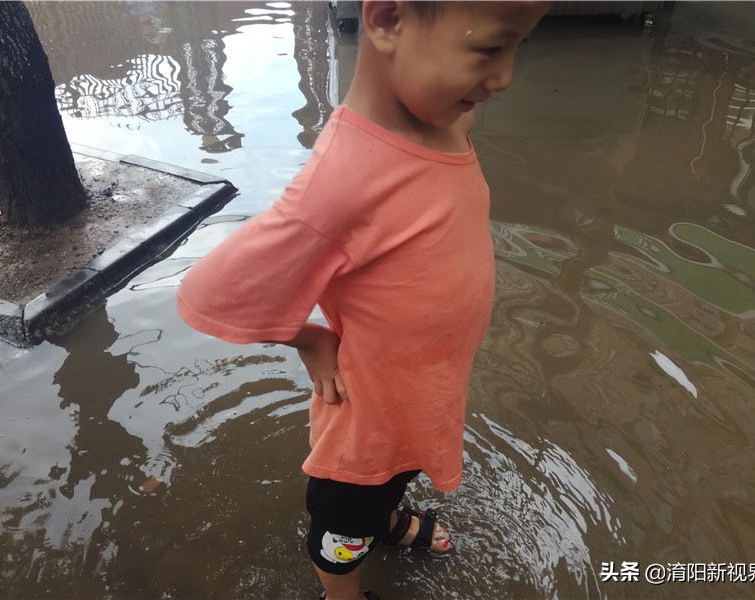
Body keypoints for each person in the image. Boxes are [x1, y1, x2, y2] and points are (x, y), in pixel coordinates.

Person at [176, 1, 550, 598]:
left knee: (392, 481)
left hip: (419, 394)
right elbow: (211, 291)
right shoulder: (344, 180)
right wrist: (308, 337)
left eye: (516, 47)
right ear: (386, 21)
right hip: (369, 417)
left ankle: (390, 520)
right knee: (340, 528)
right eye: (488, 49)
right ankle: (341, 592)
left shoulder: (451, 122)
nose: (503, 77)